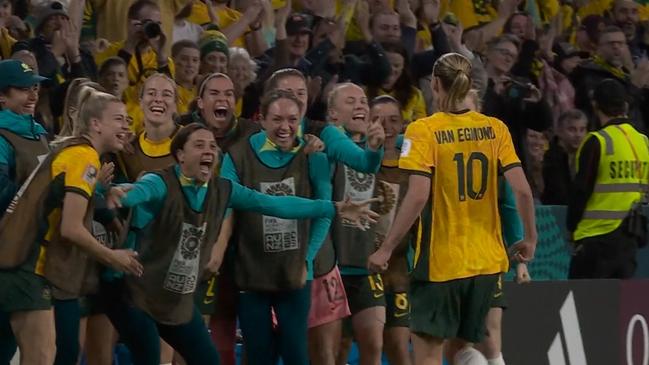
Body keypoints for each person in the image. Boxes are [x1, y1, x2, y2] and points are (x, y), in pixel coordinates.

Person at [103, 123, 378, 364]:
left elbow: (276, 204)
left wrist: (335, 207)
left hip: (175, 302)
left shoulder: (224, 189)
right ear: (180, 155)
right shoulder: (162, 181)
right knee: (149, 357)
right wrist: (123, 195)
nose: (209, 150)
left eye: (212, 145)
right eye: (199, 145)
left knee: (208, 360)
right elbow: (142, 189)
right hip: (135, 296)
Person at [368, 53, 537, 365]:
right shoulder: (495, 128)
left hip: (440, 264)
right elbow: (523, 191)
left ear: (434, 84)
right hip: (485, 264)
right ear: (469, 83)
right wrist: (530, 239)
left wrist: (386, 248)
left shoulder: (424, 130)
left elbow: (418, 196)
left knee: (428, 355)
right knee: (463, 351)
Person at [0, 88, 142, 365]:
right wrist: (113, 257)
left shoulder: (71, 150)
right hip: (26, 266)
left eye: (127, 119)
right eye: (118, 119)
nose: (126, 126)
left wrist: (100, 193)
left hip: (10, 259)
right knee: (42, 356)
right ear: (95, 124)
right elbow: (71, 228)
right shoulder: (84, 157)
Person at [263, 68, 385, 365]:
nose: (295, 99)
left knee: (324, 356)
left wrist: (372, 149)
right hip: (267, 261)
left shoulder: (325, 135)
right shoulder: (254, 143)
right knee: (267, 352)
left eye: (301, 93)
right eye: (287, 93)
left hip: (318, 263)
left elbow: (361, 162)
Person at [220, 90, 331, 365]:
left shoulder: (313, 154)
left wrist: (307, 258)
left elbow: (325, 211)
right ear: (262, 120)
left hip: (294, 272)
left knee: (296, 353)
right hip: (251, 272)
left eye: (292, 119)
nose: (285, 127)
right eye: (277, 119)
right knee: (258, 356)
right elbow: (227, 209)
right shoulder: (236, 156)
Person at [567, 78, 649, 279]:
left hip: (595, 240)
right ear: (625, 106)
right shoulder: (643, 142)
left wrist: (571, 227)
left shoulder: (598, 141)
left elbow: (581, 191)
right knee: (617, 308)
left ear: (595, 106)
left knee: (584, 306)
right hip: (629, 240)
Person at [327, 83, 385, 365]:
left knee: (373, 344)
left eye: (364, 100)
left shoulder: (380, 149)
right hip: (333, 267)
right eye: (351, 101)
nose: (361, 106)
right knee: (337, 351)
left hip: (366, 265)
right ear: (333, 115)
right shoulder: (327, 150)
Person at [0, 59, 49, 365]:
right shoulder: (2, 137)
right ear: (1, 97)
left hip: (34, 251)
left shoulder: (41, 133)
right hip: (10, 253)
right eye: (22, 89)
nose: (32, 95)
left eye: (34, 87)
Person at [369, 95, 412, 365]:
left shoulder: (414, 168)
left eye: (393, 120)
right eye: (378, 120)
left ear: (403, 125)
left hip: (397, 270)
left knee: (397, 346)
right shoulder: (356, 160)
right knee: (358, 345)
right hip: (359, 268)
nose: (386, 126)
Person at [542, 109, 588, 205]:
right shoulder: (551, 159)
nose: (578, 135)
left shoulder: (585, 156)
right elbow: (559, 195)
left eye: (582, 130)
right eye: (572, 129)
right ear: (559, 131)